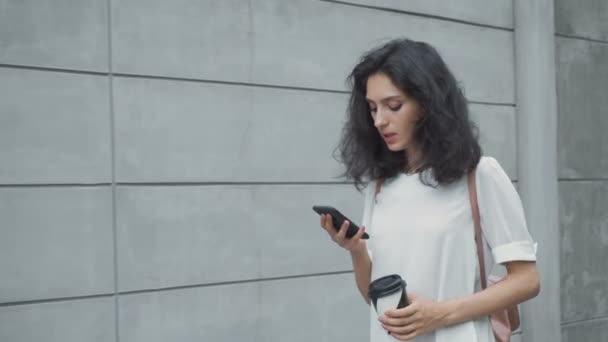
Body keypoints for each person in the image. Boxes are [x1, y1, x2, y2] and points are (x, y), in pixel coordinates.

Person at [319, 38, 540, 342]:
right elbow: (376, 299)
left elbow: (527, 280)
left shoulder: (479, 175)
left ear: (426, 104)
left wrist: (441, 313)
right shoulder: (381, 185)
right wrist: (356, 250)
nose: (380, 120)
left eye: (393, 105)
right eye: (372, 108)